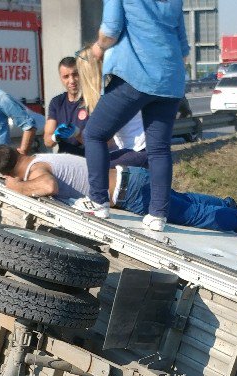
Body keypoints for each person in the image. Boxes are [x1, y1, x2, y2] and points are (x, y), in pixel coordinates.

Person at [0, 144, 237, 242]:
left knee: (190, 214)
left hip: (129, 193)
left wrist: (15, 187)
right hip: (130, 176)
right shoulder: (44, 156)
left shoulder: (36, 171)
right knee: (184, 199)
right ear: (20, 150)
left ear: (8, 172)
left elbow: (48, 187)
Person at [78, 0, 188, 231]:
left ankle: (98, 201)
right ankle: (158, 215)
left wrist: (98, 48)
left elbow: (111, 30)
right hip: (170, 78)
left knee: (94, 134)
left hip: (134, 74)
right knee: (158, 149)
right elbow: (183, 46)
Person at [76, 50, 147, 168]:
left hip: (141, 151)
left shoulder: (113, 96)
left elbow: (100, 140)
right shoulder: (118, 86)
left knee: (95, 170)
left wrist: (76, 133)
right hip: (139, 149)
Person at [44, 56, 89, 156]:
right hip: (64, 160)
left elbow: (103, 143)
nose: (72, 80)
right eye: (66, 76)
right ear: (61, 78)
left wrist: (77, 134)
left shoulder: (91, 100)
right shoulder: (56, 102)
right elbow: (47, 142)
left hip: (87, 159)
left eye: (75, 74)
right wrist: (55, 136)